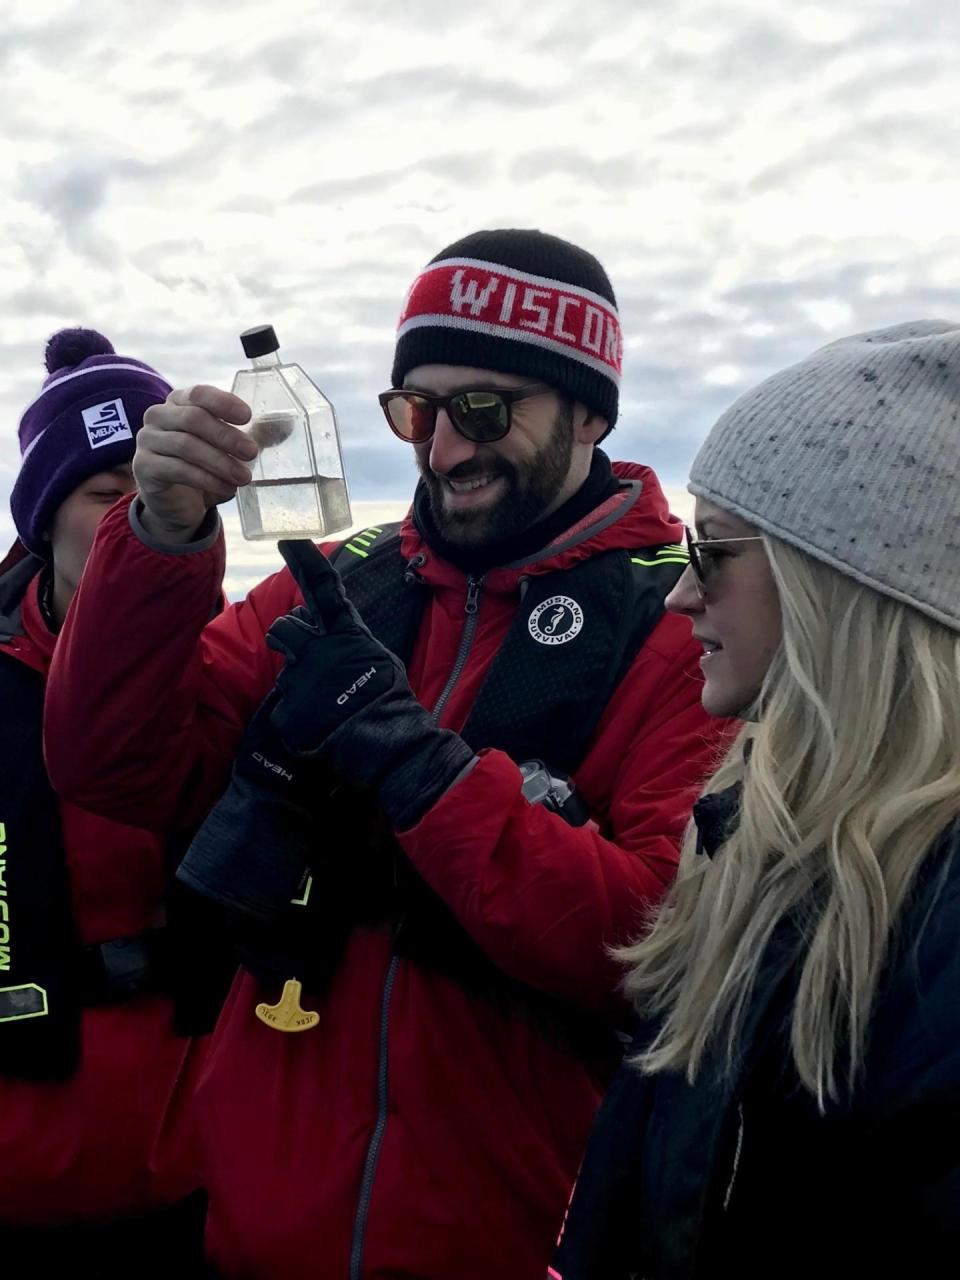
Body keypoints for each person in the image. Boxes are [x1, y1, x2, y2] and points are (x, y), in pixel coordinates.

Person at [44, 230, 729, 1280]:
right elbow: (112, 763)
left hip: (512, 1244)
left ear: (591, 413)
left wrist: (423, 769)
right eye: (416, 410)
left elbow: (663, 947)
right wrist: (161, 535)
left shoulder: (680, 623)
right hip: (252, 1235)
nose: (444, 449)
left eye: (484, 410)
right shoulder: (336, 585)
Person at [551, 320, 960, 1280]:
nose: (678, 597)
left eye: (714, 551)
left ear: (845, 584)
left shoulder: (935, 929)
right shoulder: (764, 838)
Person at [0, 329, 215, 1273]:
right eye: (105, 494)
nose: (133, 516)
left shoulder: (230, 672)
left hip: (195, 1170)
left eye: (155, 494)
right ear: (43, 517)